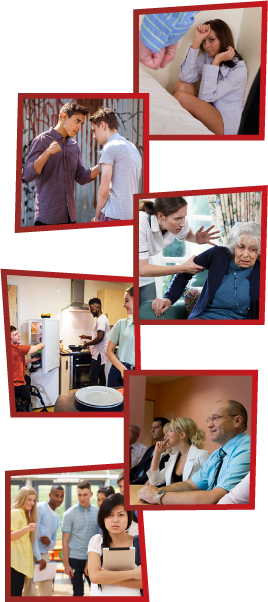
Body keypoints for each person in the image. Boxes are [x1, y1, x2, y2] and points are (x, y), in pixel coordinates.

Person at [137, 399, 251, 505]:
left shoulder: (247, 450)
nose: (209, 425)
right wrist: (156, 490)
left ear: (237, 421)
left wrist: (158, 496)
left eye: (215, 418)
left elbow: (216, 497)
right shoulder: (218, 454)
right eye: (209, 420)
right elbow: (190, 484)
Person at [152, 221, 261, 319]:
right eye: (241, 247)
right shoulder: (218, 254)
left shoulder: (260, 269)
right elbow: (184, 273)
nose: (245, 255)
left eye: (252, 249)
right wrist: (168, 298)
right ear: (233, 247)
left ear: (259, 251)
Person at [23, 102, 100, 225]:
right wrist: (47, 152)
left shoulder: (74, 146)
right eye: (77, 121)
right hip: (47, 219)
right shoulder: (42, 140)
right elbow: (27, 175)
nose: (80, 127)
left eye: (82, 124)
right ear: (64, 117)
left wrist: (101, 165)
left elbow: (81, 177)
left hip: (70, 218)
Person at [139, 197, 220, 306]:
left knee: (146, 313)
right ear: (161, 216)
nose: (183, 223)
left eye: (184, 217)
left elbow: (186, 234)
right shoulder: (140, 223)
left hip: (144, 271)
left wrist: (196, 239)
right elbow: (142, 269)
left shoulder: (177, 223)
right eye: (178, 218)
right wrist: (182, 268)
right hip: (140, 268)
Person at [173, 20, 247, 135]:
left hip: (226, 122)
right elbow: (185, 77)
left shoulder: (238, 69)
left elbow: (205, 98)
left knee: (180, 97)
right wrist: (196, 42)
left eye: (211, 40)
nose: (206, 45)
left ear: (223, 38)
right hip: (210, 108)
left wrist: (216, 62)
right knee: (181, 85)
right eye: (204, 41)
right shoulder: (207, 56)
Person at [89, 107, 142, 221]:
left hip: (113, 215)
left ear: (103, 125)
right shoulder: (133, 148)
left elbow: (104, 189)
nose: (94, 136)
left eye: (94, 130)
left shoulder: (110, 147)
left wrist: (97, 217)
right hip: (132, 216)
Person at [87, 493, 142, 596]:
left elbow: (144, 583)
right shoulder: (97, 541)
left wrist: (106, 577)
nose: (115, 520)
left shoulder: (139, 542)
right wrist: (133, 574)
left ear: (128, 517)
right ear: (103, 518)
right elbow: (94, 577)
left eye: (121, 514)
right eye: (110, 515)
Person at [23, 485, 64, 596]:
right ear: (50, 495)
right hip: (31, 553)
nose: (59, 499)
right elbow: (33, 535)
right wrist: (39, 558)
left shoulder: (57, 518)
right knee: (29, 588)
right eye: (56, 495)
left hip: (44, 554)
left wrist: (49, 542)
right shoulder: (40, 507)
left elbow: (53, 544)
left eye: (61, 496)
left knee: (46, 588)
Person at [147, 417, 210, 486]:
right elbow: (154, 482)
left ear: (182, 435)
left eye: (170, 431)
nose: (166, 435)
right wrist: (157, 453)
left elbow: (210, 485)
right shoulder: (173, 458)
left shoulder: (202, 455)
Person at [62, 480, 98, 596]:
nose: (82, 498)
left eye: (85, 494)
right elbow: (65, 541)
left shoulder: (98, 513)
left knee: (96, 590)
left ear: (91, 494)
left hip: (92, 558)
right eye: (79, 495)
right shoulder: (69, 514)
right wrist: (66, 564)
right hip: (74, 559)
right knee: (77, 592)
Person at [11, 486, 40, 596]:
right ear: (22, 498)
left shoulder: (24, 515)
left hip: (19, 564)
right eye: (29, 499)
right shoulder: (16, 513)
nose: (32, 503)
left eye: (33, 500)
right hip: (14, 564)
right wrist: (27, 528)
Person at [106, 287, 135, 388]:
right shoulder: (121, 323)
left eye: (127, 301)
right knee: (112, 403)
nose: (123, 305)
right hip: (117, 372)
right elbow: (109, 350)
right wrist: (122, 369)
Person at [130, 417, 170, 484]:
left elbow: (155, 473)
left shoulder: (168, 450)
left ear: (165, 430)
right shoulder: (151, 448)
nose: (152, 430)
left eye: (156, 427)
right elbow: (139, 466)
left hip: (145, 483)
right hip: (136, 481)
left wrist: (133, 482)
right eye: (152, 427)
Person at [80, 298, 110, 386]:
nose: (91, 311)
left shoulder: (101, 320)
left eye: (92, 309)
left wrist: (86, 344)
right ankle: (102, 395)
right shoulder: (102, 318)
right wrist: (87, 337)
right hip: (101, 353)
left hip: (98, 354)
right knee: (101, 375)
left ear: (98, 307)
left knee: (92, 376)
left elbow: (100, 338)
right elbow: (99, 336)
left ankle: (95, 397)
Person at [11, 326, 45, 404]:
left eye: (18, 333)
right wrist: (43, 340)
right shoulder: (19, 349)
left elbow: (18, 361)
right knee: (27, 396)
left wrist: (33, 360)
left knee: (27, 378)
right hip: (16, 386)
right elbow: (40, 346)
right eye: (16, 334)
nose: (19, 335)